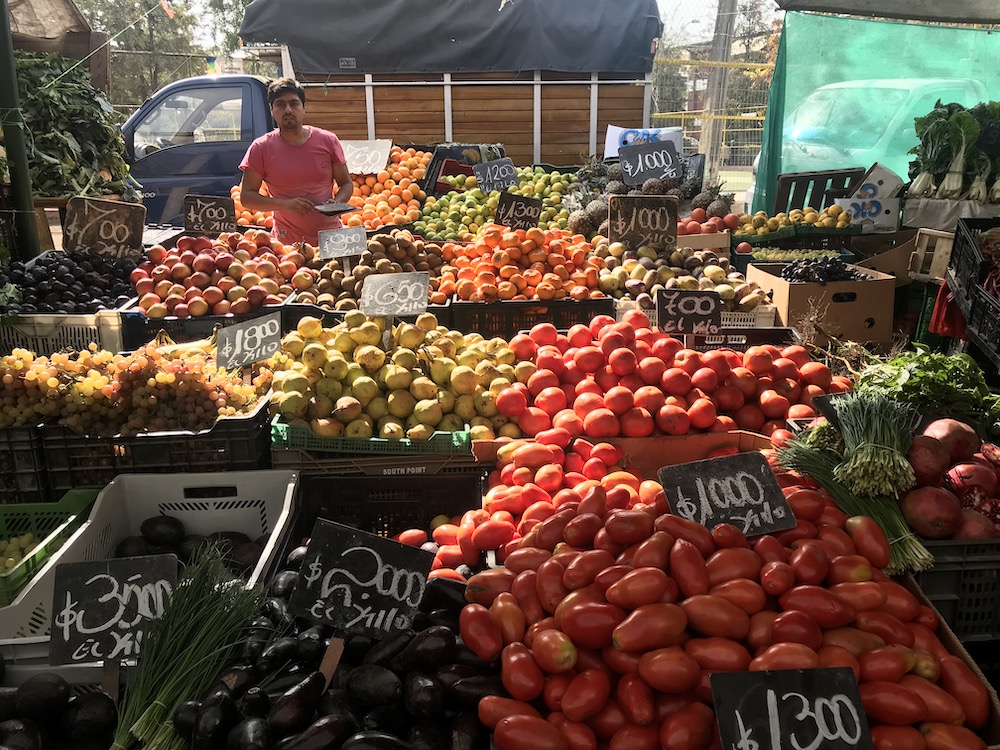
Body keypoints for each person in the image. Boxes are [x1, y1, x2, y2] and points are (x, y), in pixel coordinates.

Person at [239, 77, 353, 245]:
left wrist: (336, 202)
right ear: (271, 110)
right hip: (286, 244)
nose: (288, 110)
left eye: (294, 103)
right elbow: (247, 197)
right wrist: (284, 204)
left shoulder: (328, 141)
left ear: (303, 108)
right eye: (280, 104)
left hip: (331, 239)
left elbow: (346, 184)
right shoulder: (261, 148)